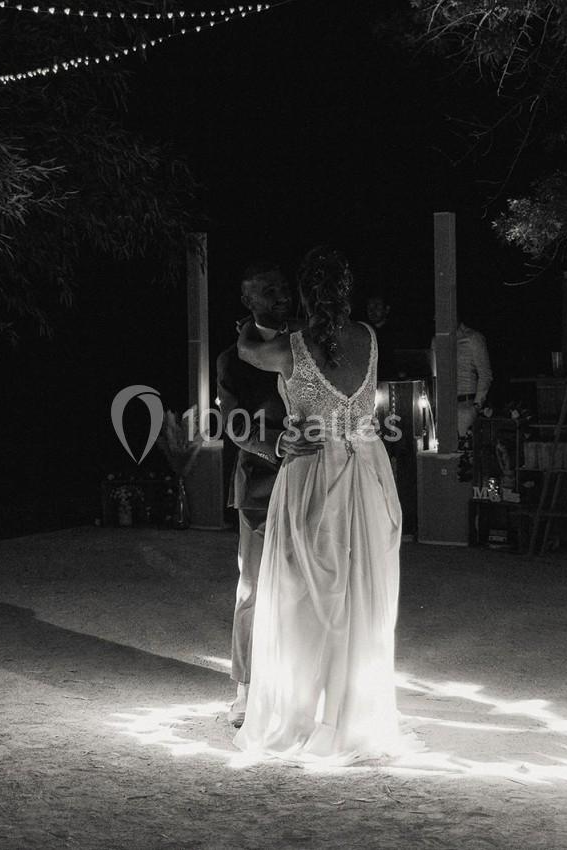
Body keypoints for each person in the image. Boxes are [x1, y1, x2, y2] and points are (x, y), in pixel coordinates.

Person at [232, 246, 416, 763]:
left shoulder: (291, 346)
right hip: (368, 468)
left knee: (301, 595)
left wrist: (249, 322)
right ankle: (349, 712)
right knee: (359, 594)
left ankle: (305, 712)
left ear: (304, 295)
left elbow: (247, 350)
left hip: (315, 471)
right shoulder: (369, 338)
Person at [215, 262, 322, 728]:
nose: (282, 296)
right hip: (260, 484)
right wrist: (277, 443)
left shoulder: (310, 346)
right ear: (248, 301)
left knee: (312, 587)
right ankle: (246, 690)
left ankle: (304, 689)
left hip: (316, 480)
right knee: (253, 591)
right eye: (270, 290)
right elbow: (234, 424)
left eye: (285, 289)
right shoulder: (231, 358)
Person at [431, 319, 493, 437]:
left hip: (465, 406)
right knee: (440, 449)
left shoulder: (473, 338)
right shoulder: (437, 340)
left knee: (463, 450)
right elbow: (435, 374)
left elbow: (485, 374)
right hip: (443, 407)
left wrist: (476, 405)